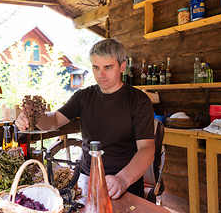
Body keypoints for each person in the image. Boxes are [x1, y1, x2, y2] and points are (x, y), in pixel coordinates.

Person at [15, 38, 155, 200]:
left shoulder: (139, 101)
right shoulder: (83, 96)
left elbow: (147, 149)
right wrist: (32, 116)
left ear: (122, 66)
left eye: (107, 68)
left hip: (125, 183)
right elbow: (53, 121)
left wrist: (123, 179)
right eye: (95, 68)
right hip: (87, 178)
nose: (100, 75)